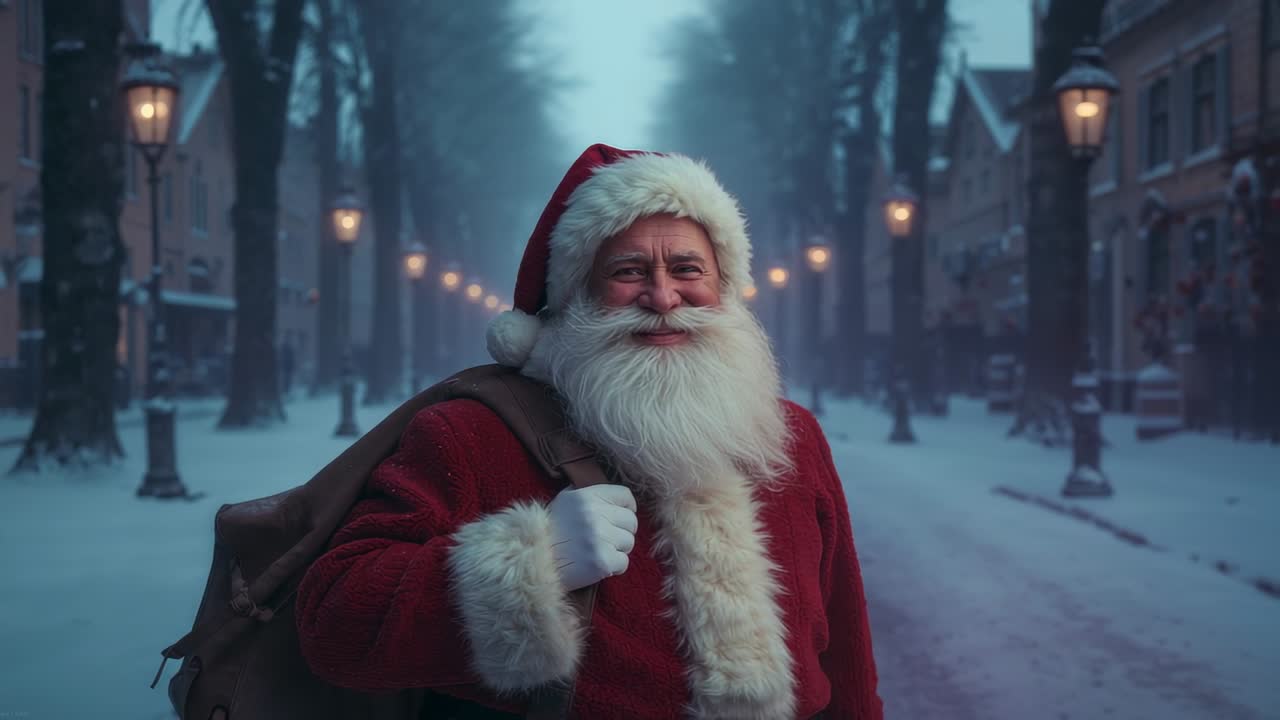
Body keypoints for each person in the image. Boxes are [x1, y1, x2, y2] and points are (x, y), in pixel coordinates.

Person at [296, 144, 883, 719]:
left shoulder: (792, 435)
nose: (662, 297)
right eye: (628, 272)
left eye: (687, 269)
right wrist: (530, 565)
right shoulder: (473, 433)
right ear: (576, 296)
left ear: (723, 286)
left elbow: (848, 656)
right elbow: (336, 624)